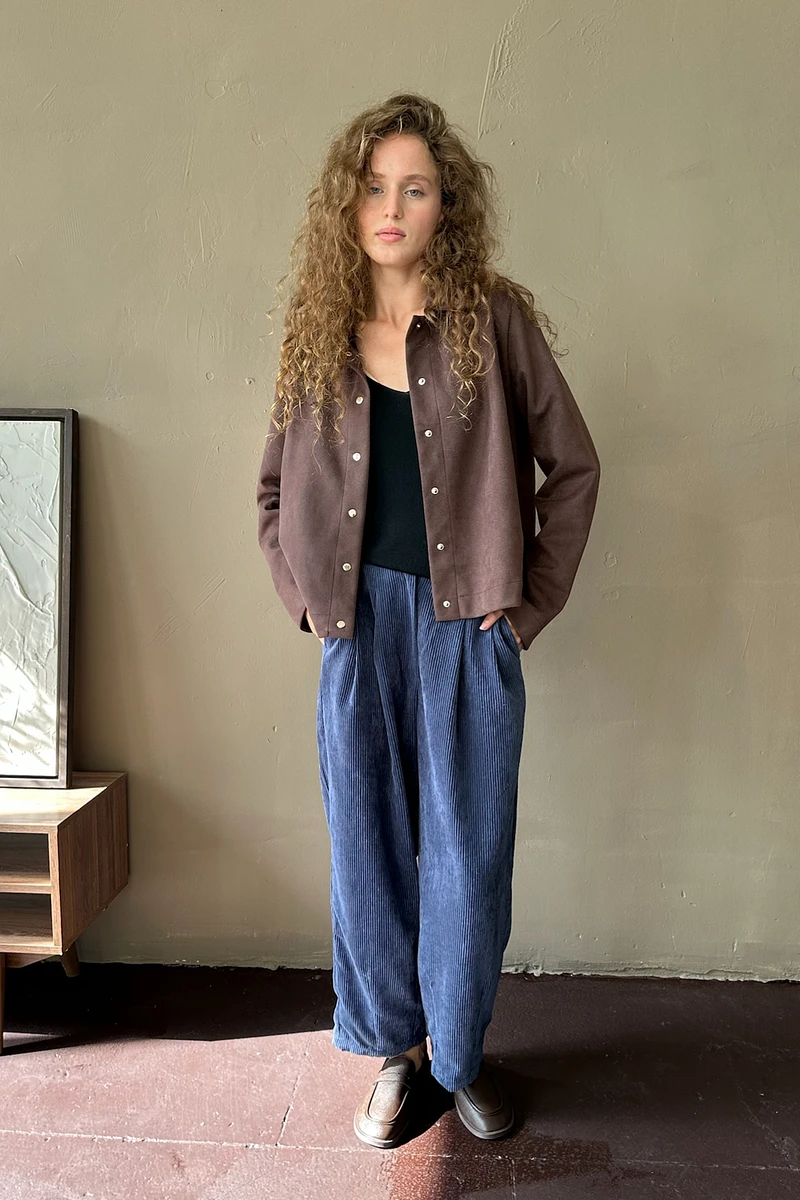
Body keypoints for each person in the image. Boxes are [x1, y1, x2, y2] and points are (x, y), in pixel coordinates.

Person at [256, 93, 601, 1149]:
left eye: (414, 188)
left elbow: (574, 469)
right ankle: (395, 1057)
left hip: (467, 634)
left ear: (446, 204)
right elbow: (270, 494)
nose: (391, 207)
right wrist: (309, 603)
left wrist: (528, 600)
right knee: (368, 853)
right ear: (347, 203)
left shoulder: (493, 323)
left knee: (467, 857)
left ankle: (460, 1056)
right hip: (358, 634)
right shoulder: (318, 333)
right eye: (374, 187)